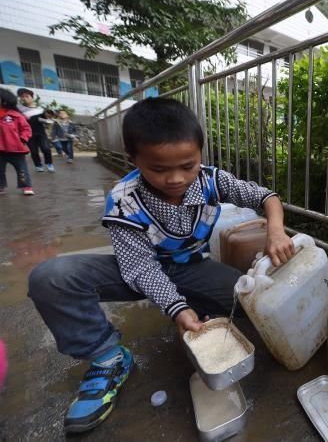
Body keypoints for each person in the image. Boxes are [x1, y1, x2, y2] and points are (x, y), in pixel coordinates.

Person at [28, 97, 295, 434]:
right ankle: (107, 357)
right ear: (134, 159)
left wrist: (275, 229)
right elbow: (141, 269)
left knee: (251, 300)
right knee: (51, 277)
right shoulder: (124, 200)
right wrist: (176, 308)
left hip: (191, 267)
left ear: (200, 153)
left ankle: (196, 305)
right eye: (158, 168)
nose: (175, 178)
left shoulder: (211, 180)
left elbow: (265, 197)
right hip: (135, 271)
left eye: (188, 165)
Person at [0, 87, 34, 196]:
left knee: (22, 169)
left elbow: (26, 129)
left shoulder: (15, 115)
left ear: (4, 100)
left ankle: (26, 186)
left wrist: (22, 139)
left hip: (16, 149)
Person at [16, 88, 54, 172]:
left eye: (27, 96)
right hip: (28, 133)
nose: (24, 98)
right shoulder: (19, 108)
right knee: (34, 151)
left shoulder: (40, 108)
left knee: (46, 149)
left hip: (41, 132)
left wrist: (48, 118)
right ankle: (38, 165)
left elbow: (46, 119)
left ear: (32, 97)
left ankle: (49, 164)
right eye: (22, 97)